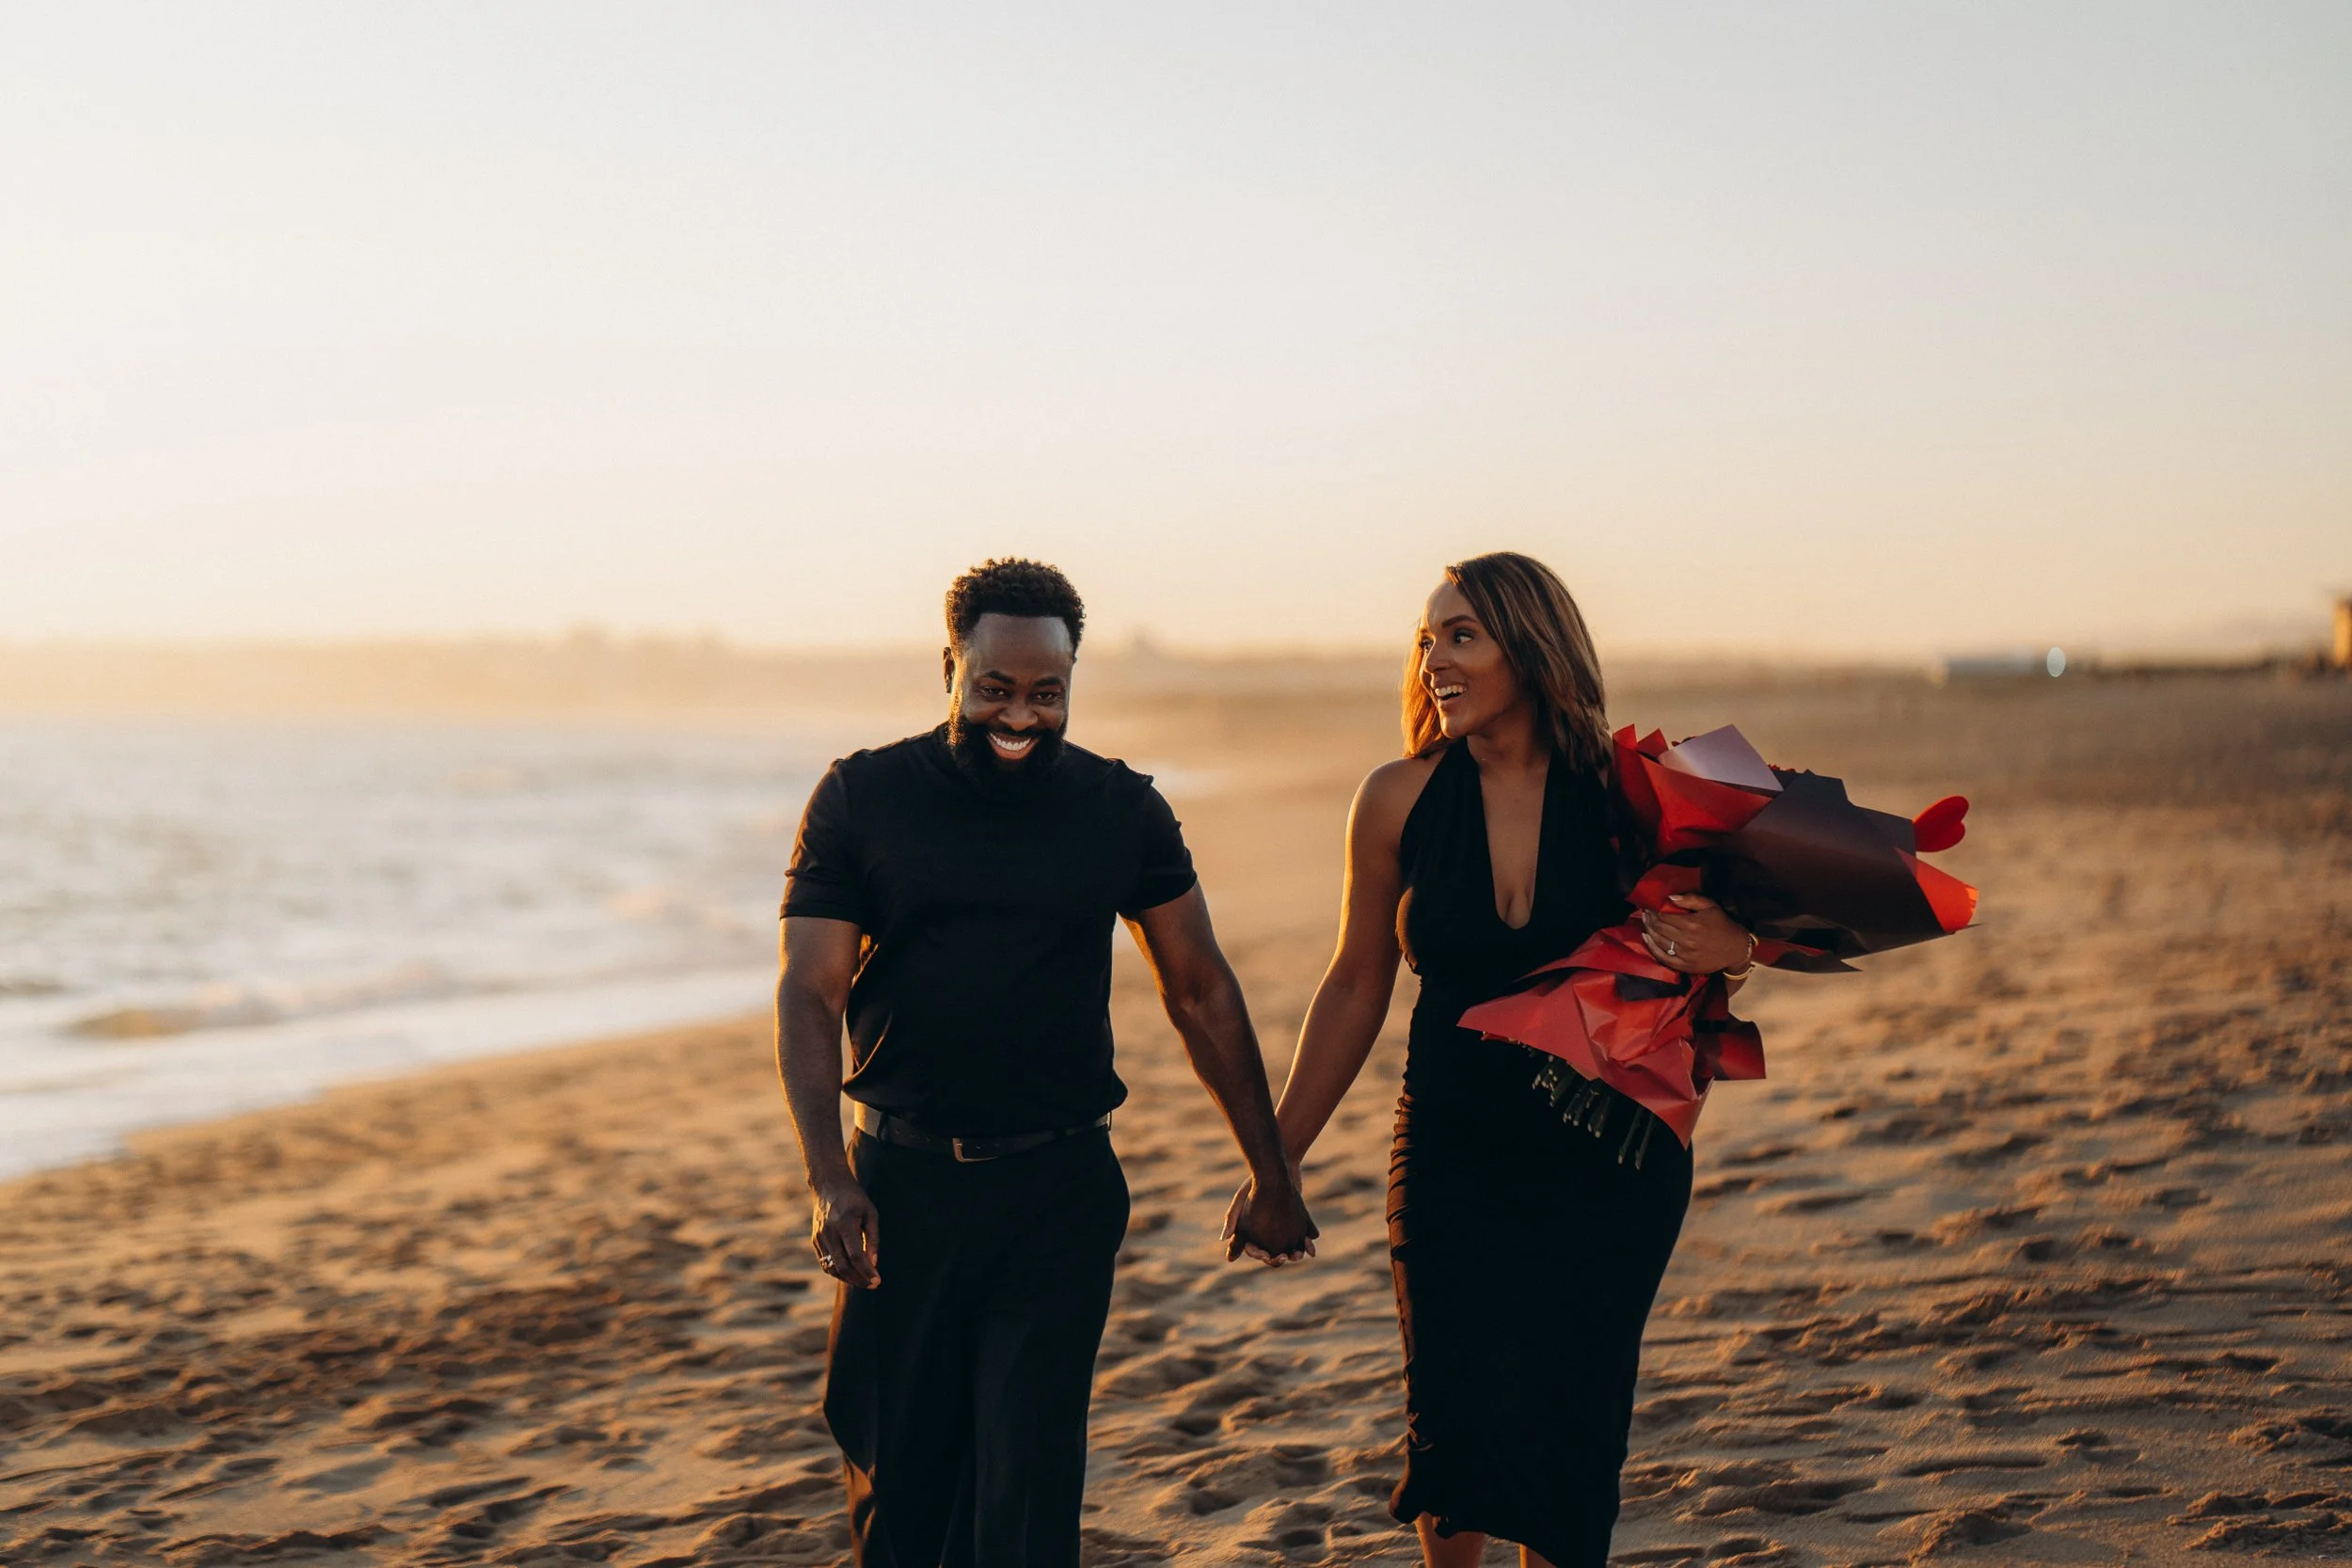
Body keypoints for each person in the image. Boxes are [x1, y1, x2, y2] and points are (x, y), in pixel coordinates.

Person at [776, 557, 1316, 1568]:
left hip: (1058, 1189)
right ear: (951, 666)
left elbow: (1197, 986)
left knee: (1026, 1493)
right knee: (901, 1489)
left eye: (1044, 692)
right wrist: (829, 1177)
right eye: (994, 688)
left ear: (1071, 681)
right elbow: (811, 989)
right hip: (902, 1188)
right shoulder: (862, 796)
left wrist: (1271, 1172)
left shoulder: (1122, 809)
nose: (1018, 715)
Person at [1240, 552, 1755, 1568]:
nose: (1435, 656)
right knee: (1454, 1420)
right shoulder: (1395, 797)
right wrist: (1277, 1156)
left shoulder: (1632, 796)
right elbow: (1353, 983)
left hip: (1607, 1154)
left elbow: (1755, 927)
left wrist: (1732, 942)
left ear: (1531, 642)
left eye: (1460, 634)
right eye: (1426, 637)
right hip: (1450, 1146)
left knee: (1573, 1426)